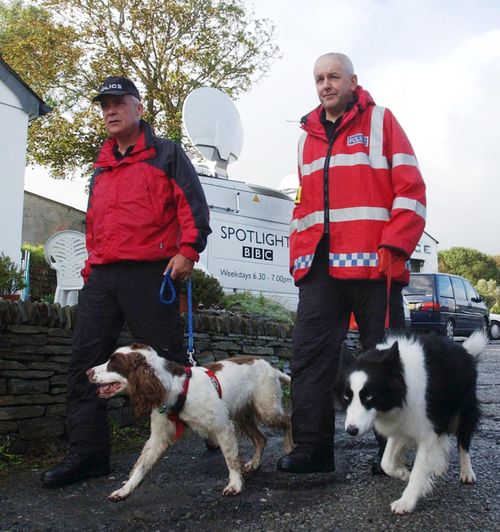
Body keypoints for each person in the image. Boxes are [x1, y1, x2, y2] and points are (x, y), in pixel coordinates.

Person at [42, 76, 211, 487]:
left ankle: (210, 421)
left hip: (150, 274)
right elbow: (95, 223)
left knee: (168, 359)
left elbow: (193, 205)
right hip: (103, 278)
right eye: (105, 105)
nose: (110, 111)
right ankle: (88, 454)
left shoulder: (166, 153)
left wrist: (188, 249)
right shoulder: (101, 166)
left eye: (119, 102)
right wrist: (89, 271)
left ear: (139, 108)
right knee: (85, 363)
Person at [277, 53, 426, 474]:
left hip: (376, 266)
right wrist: (297, 254)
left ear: (353, 81)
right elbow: (303, 205)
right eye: (319, 78)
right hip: (319, 268)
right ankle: (313, 449)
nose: (326, 85)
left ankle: (390, 454)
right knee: (309, 358)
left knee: (387, 362)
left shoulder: (382, 122)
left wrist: (396, 245)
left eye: (334, 77)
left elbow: (411, 189)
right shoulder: (306, 136)